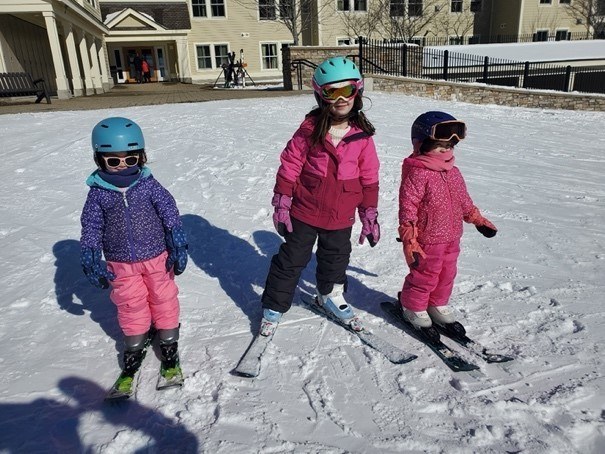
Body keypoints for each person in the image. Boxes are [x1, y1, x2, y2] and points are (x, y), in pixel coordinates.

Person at [259, 56, 381, 336]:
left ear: (357, 91)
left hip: (341, 214)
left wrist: (369, 214)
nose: (340, 99)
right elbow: (290, 166)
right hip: (306, 210)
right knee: (292, 258)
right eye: (331, 92)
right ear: (320, 94)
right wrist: (282, 202)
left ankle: (331, 295)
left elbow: (370, 178)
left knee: (337, 258)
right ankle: (275, 304)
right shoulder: (309, 131)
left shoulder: (362, 136)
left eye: (346, 91)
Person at [80, 117, 188, 384]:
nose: (122, 167)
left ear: (141, 156)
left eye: (130, 159)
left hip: (157, 258)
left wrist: (177, 239)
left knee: (163, 298)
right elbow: (91, 225)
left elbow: (169, 211)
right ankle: (134, 342)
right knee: (131, 303)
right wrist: (91, 252)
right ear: (99, 159)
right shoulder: (97, 194)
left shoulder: (149, 185)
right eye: (113, 161)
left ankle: (168, 340)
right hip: (121, 264)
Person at [397, 111, 497, 329]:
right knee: (425, 274)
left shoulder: (454, 172)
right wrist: (409, 238)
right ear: (421, 144)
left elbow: (464, 201)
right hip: (428, 238)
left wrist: (478, 220)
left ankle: (436, 303)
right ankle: (413, 306)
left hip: (452, 236)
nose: (445, 150)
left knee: (447, 273)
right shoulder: (417, 172)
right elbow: (408, 206)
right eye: (438, 145)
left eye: (450, 146)